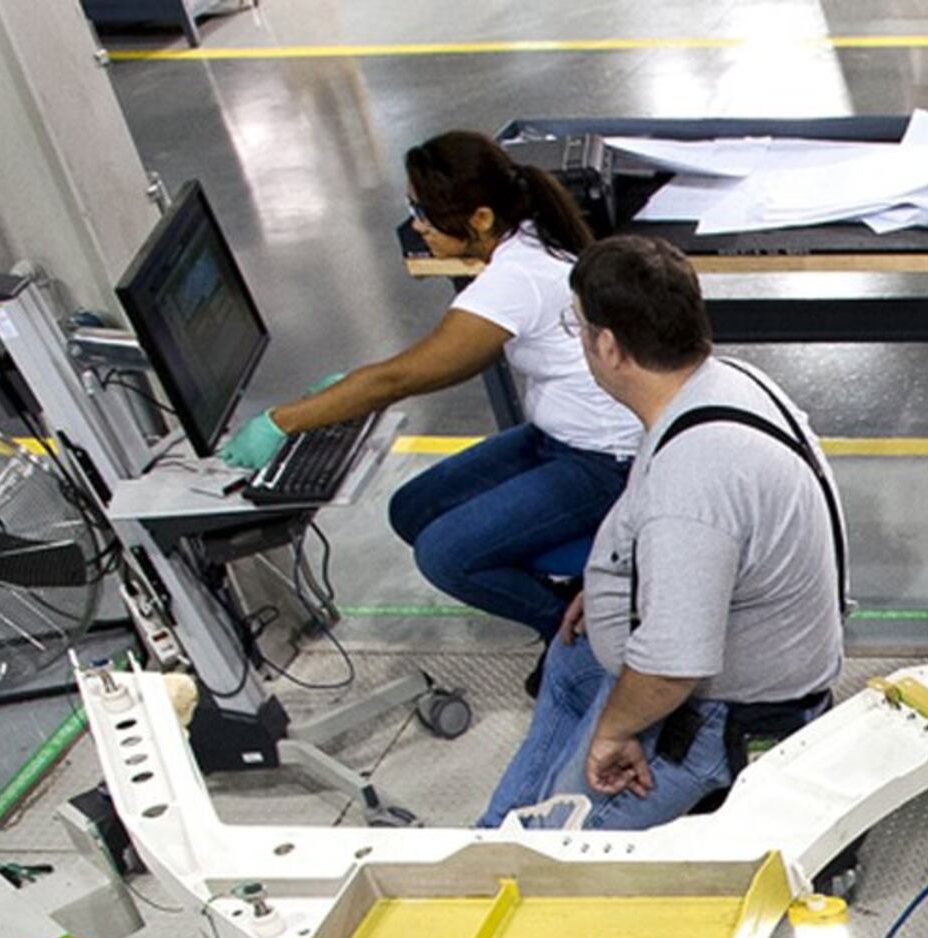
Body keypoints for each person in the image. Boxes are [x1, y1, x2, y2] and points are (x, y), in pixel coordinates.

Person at [478, 235, 848, 831]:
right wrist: (608, 593)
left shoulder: (697, 478)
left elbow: (673, 665)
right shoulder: (717, 385)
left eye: (579, 328)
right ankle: (496, 830)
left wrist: (613, 733)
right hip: (709, 659)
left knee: (558, 846)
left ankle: (526, 847)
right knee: (570, 662)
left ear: (606, 344)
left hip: (710, 716)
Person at [221, 134, 637, 641]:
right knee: (414, 510)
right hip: (556, 441)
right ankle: (575, 593)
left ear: (481, 218)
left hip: (603, 462)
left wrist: (280, 421)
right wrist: (341, 395)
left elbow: (400, 378)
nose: (418, 226)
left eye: (424, 212)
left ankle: (578, 634)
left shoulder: (518, 277)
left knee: (445, 555)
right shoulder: (529, 239)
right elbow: (414, 362)